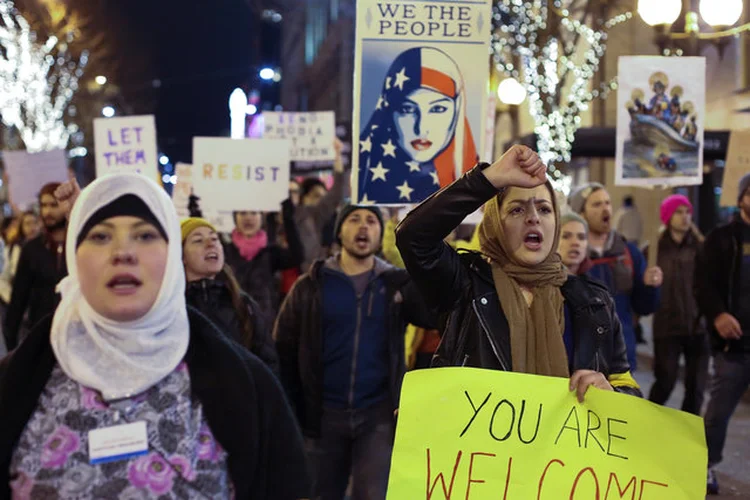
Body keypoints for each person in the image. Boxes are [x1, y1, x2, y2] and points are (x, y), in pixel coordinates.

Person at [0, 173, 310, 499]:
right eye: (100, 236)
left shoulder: (248, 385)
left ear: (172, 253)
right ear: (75, 256)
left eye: (145, 236)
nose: (123, 252)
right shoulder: (16, 383)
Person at [396, 146, 641, 405]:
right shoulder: (465, 286)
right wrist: (489, 179)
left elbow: (628, 388)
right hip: (479, 445)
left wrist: (613, 394)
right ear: (496, 225)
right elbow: (414, 237)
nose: (533, 218)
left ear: (555, 222)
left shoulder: (594, 301)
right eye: (517, 210)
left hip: (564, 445)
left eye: (545, 209)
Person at [275, 203, 434, 500]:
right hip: (321, 416)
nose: (363, 226)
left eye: (372, 221)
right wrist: (291, 408)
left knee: (373, 494)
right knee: (320, 494)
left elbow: (435, 315)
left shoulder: (397, 285)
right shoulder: (310, 286)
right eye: (354, 219)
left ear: (380, 234)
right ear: (339, 231)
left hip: (378, 416)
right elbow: (282, 348)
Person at [357, 46, 478, 204]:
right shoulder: (367, 177)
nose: (421, 128)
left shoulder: (475, 179)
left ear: (457, 110)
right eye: (407, 109)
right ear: (389, 110)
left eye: (437, 109)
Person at [568, 182, 662, 369]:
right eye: (596, 204)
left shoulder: (628, 253)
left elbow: (644, 307)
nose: (605, 209)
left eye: (607, 203)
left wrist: (650, 287)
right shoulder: (571, 255)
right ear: (581, 213)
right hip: (580, 360)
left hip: (621, 358)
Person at [697, 173, 750, 495]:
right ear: (742, 197)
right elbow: (702, 283)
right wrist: (717, 314)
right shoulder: (722, 238)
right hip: (734, 345)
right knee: (717, 415)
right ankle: (705, 465)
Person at [181, 217, 279, 373]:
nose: (210, 243)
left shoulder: (244, 305)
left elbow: (268, 363)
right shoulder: (173, 307)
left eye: (214, 238)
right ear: (182, 256)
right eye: (198, 240)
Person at [646, 195, 708, 415]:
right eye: (679, 212)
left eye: (687, 212)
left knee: (696, 388)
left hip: (698, 326)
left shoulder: (701, 247)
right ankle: (646, 423)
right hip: (667, 326)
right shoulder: (654, 250)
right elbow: (643, 287)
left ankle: (686, 434)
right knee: (665, 381)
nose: (685, 217)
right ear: (668, 216)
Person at [3, 183, 68, 351]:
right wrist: (12, 347)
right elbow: (19, 299)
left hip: (74, 335)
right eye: (43, 205)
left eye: (53, 205)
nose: (47, 211)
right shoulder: (31, 249)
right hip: (41, 337)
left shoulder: (81, 245)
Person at [224, 198, 303, 323]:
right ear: (235, 218)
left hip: (264, 324)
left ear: (261, 218)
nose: (248, 218)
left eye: (254, 213)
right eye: (243, 213)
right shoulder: (224, 251)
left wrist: (288, 220)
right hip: (232, 322)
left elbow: (297, 257)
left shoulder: (270, 252)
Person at [296, 140, 345, 273]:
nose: (322, 202)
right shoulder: (291, 217)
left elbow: (337, 191)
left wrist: (337, 155)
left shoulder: (331, 220)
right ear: (303, 198)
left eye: (324, 197)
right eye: (316, 196)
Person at [0, 211, 41, 306]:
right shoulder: (13, 249)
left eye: (34, 222)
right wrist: (13, 299)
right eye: (27, 223)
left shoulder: (47, 247)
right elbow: (3, 279)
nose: (32, 227)